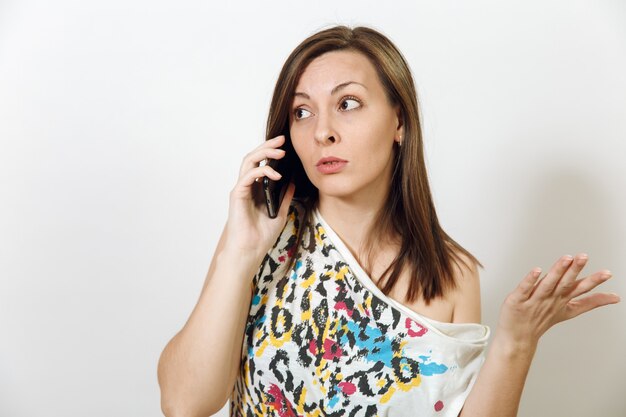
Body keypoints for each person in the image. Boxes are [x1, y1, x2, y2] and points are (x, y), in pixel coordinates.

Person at [157, 25, 620, 417]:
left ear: (399, 121)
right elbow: (184, 403)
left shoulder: (450, 273)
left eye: (348, 103)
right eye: (302, 111)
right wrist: (237, 253)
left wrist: (516, 343)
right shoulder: (265, 236)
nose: (323, 131)